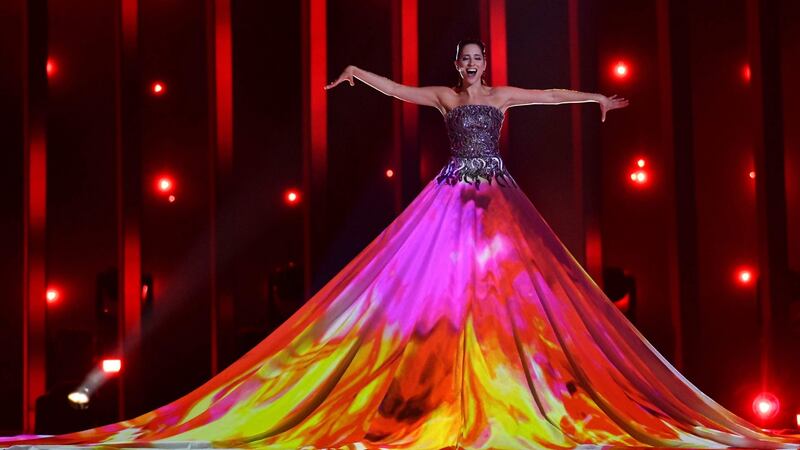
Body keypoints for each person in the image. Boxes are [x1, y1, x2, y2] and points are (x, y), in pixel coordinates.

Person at [4, 39, 798, 450]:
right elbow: (397, 89)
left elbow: (551, 94)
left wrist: (597, 96)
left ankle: (499, 394)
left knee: (515, 304)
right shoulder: (449, 96)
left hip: (498, 201)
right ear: (457, 67)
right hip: (453, 196)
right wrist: (355, 69)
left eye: (478, 61)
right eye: (466, 61)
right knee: (439, 300)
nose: (472, 69)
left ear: (488, 66)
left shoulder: (501, 95)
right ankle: (444, 398)